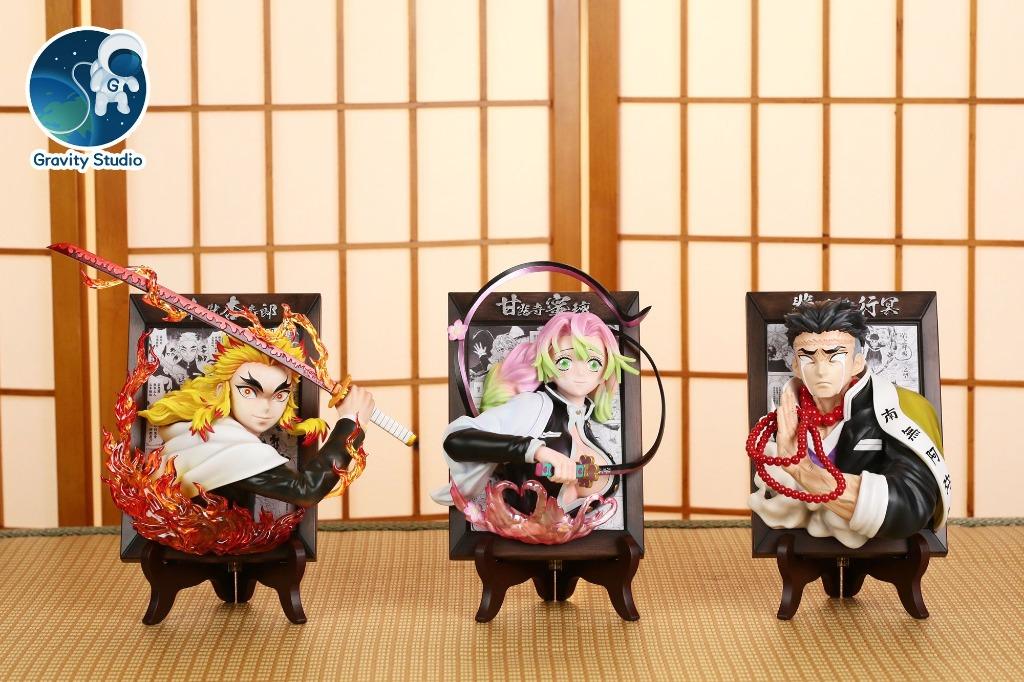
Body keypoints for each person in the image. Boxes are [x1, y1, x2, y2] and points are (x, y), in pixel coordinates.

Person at [748, 299, 951, 548]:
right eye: (808, 358)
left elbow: (912, 503)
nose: (821, 370)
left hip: (874, 542)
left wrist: (804, 471)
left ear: (857, 363)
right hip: (802, 539)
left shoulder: (896, 408)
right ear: (796, 366)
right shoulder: (778, 420)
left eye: (835, 356)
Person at [431, 311, 638, 515]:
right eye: (565, 362)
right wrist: (538, 451)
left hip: (580, 535)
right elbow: (456, 441)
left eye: (594, 363)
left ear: (604, 373)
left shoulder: (584, 422)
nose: (580, 372)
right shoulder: (534, 406)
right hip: (517, 531)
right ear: (548, 366)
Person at [139, 332, 374, 510]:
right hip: (207, 543)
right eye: (249, 392)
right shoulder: (231, 446)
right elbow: (306, 490)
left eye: (280, 395)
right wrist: (350, 423)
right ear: (223, 390)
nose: (265, 408)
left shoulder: (201, 433)